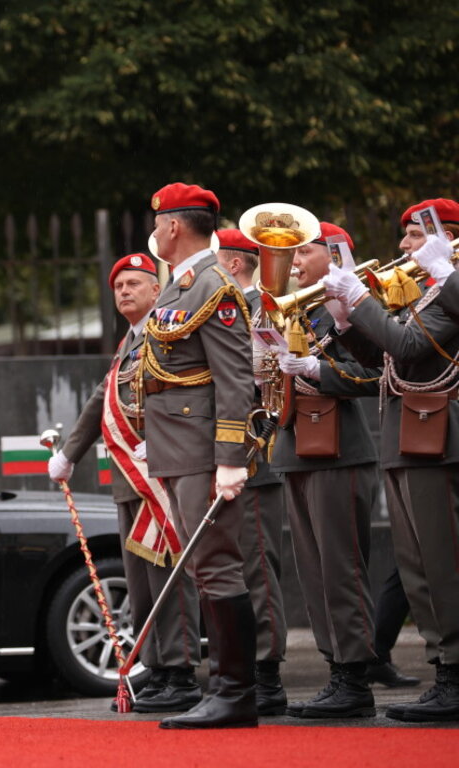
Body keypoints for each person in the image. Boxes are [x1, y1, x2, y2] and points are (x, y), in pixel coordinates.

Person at [321, 198, 459, 722]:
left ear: (447, 239)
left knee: (442, 565)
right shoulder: (431, 295)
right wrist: (347, 320)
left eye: (414, 237)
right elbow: (381, 358)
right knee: (417, 568)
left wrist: (361, 300)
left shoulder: (449, 292)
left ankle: (455, 674)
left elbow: (404, 345)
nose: (402, 248)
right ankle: (444, 670)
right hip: (407, 436)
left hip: (440, 439)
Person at [49, 253, 203, 714]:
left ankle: (180, 671)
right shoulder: (129, 343)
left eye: (135, 283)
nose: (125, 291)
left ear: (158, 291)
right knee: (140, 584)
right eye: (119, 286)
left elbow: (187, 392)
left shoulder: (168, 331)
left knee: (168, 576)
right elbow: (104, 399)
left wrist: (165, 442)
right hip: (130, 480)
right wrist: (68, 453)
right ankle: (155, 667)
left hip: (163, 472)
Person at [137, 182, 257, 729]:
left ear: (173, 226)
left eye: (158, 222)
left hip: (203, 450)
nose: (156, 230)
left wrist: (231, 457)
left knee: (215, 566)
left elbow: (235, 380)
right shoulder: (182, 283)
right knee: (206, 570)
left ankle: (235, 693)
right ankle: (227, 691)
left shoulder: (214, 286)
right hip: (177, 446)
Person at [269, 222, 381, 718]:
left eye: (305, 253)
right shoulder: (297, 311)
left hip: (340, 449)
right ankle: (335, 668)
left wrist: (319, 372)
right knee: (312, 571)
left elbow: (377, 374)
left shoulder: (352, 309)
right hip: (295, 446)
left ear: (335, 256)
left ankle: (355, 677)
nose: (294, 263)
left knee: (341, 568)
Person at [214, 229, 289, 716]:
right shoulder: (222, 307)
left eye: (216, 260)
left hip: (253, 450)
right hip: (221, 449)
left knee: (258, 568)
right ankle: (239, 670)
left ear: (235, 265)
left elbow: (267, 370)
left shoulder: (263, 306)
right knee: (234, 566)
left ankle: (267, 673)